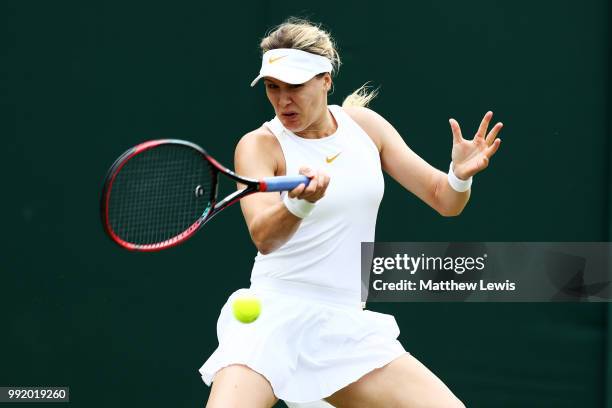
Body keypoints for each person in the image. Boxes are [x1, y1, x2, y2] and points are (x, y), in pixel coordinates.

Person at [200, 17, 502, 408]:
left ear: (325, 80)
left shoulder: (365, 127)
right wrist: (301, 201)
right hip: (270, 321)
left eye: (295, 86)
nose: (283, 100)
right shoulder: (259, 145)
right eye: (273, 88)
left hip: (344, 329)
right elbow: (264, 236)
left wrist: (459, 176)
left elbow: (444, 200)